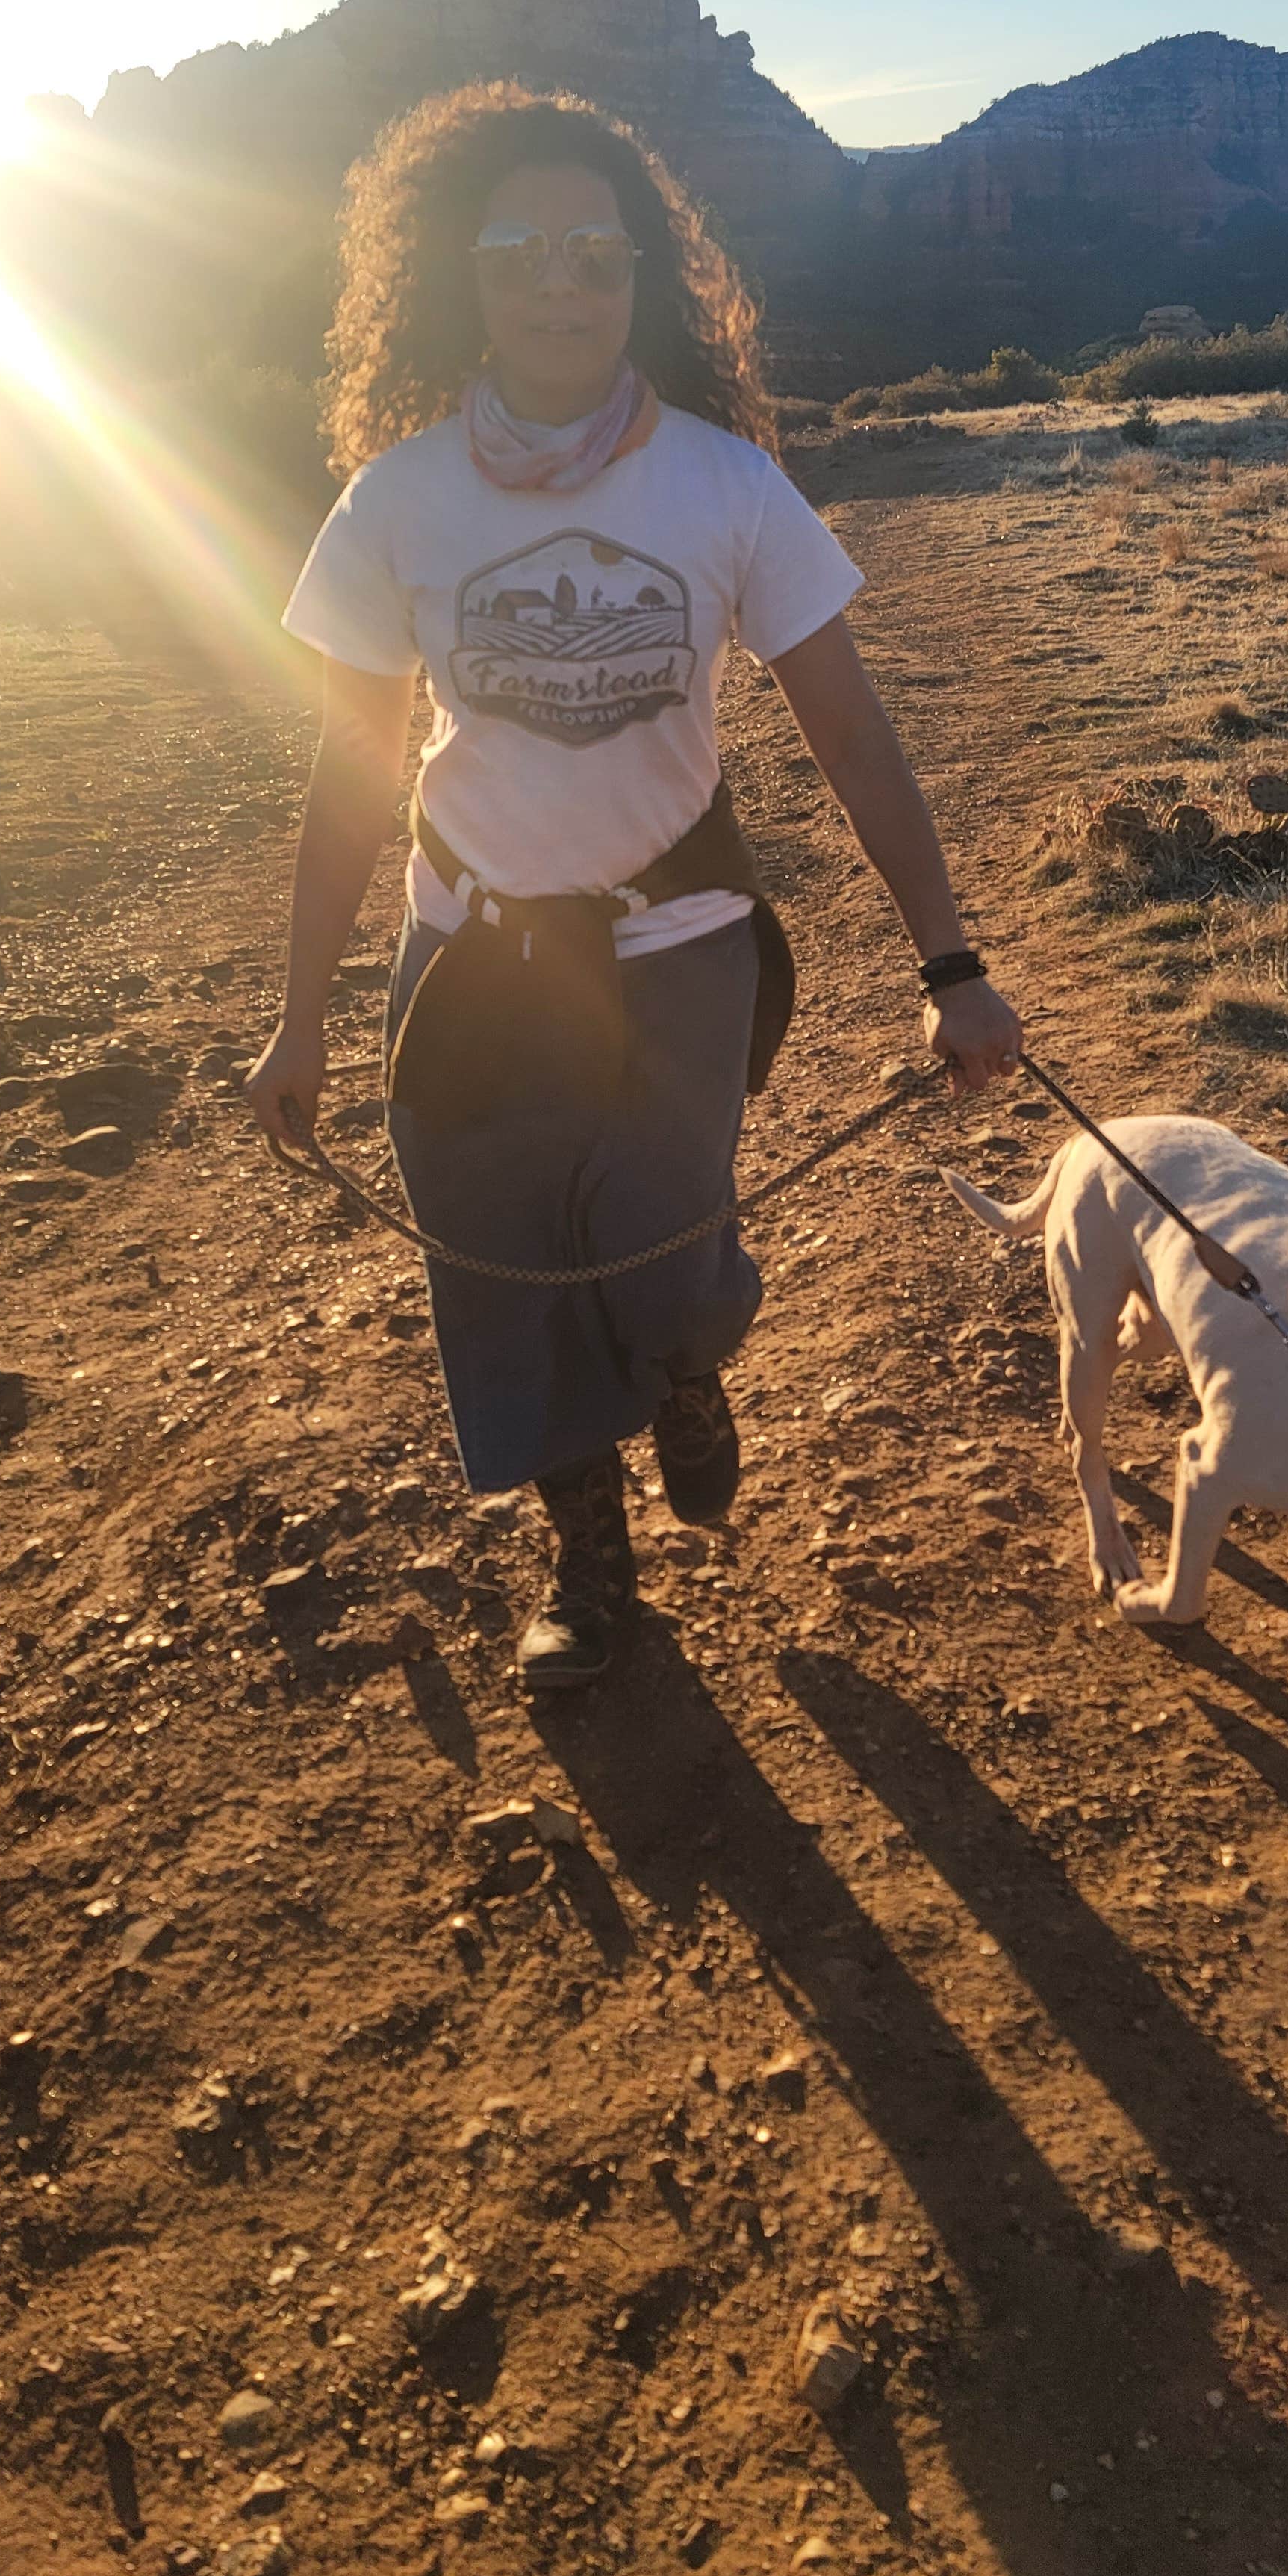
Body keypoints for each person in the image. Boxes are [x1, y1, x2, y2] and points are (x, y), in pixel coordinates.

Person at [246, 82, 1021, 1691]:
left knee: (667, 1256)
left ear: (639, 272)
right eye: (522, 247)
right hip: (470, 963)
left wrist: (956, 968)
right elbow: (348, 775)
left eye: (592, 249)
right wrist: (302, 1022)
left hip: (681, 951)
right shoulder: (395, 500)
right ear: (465, 272)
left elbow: (858, 739)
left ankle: (684, 1364)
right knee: (504, 1272)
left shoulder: (727, 486)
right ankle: (591, 1563)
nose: (558, 280)